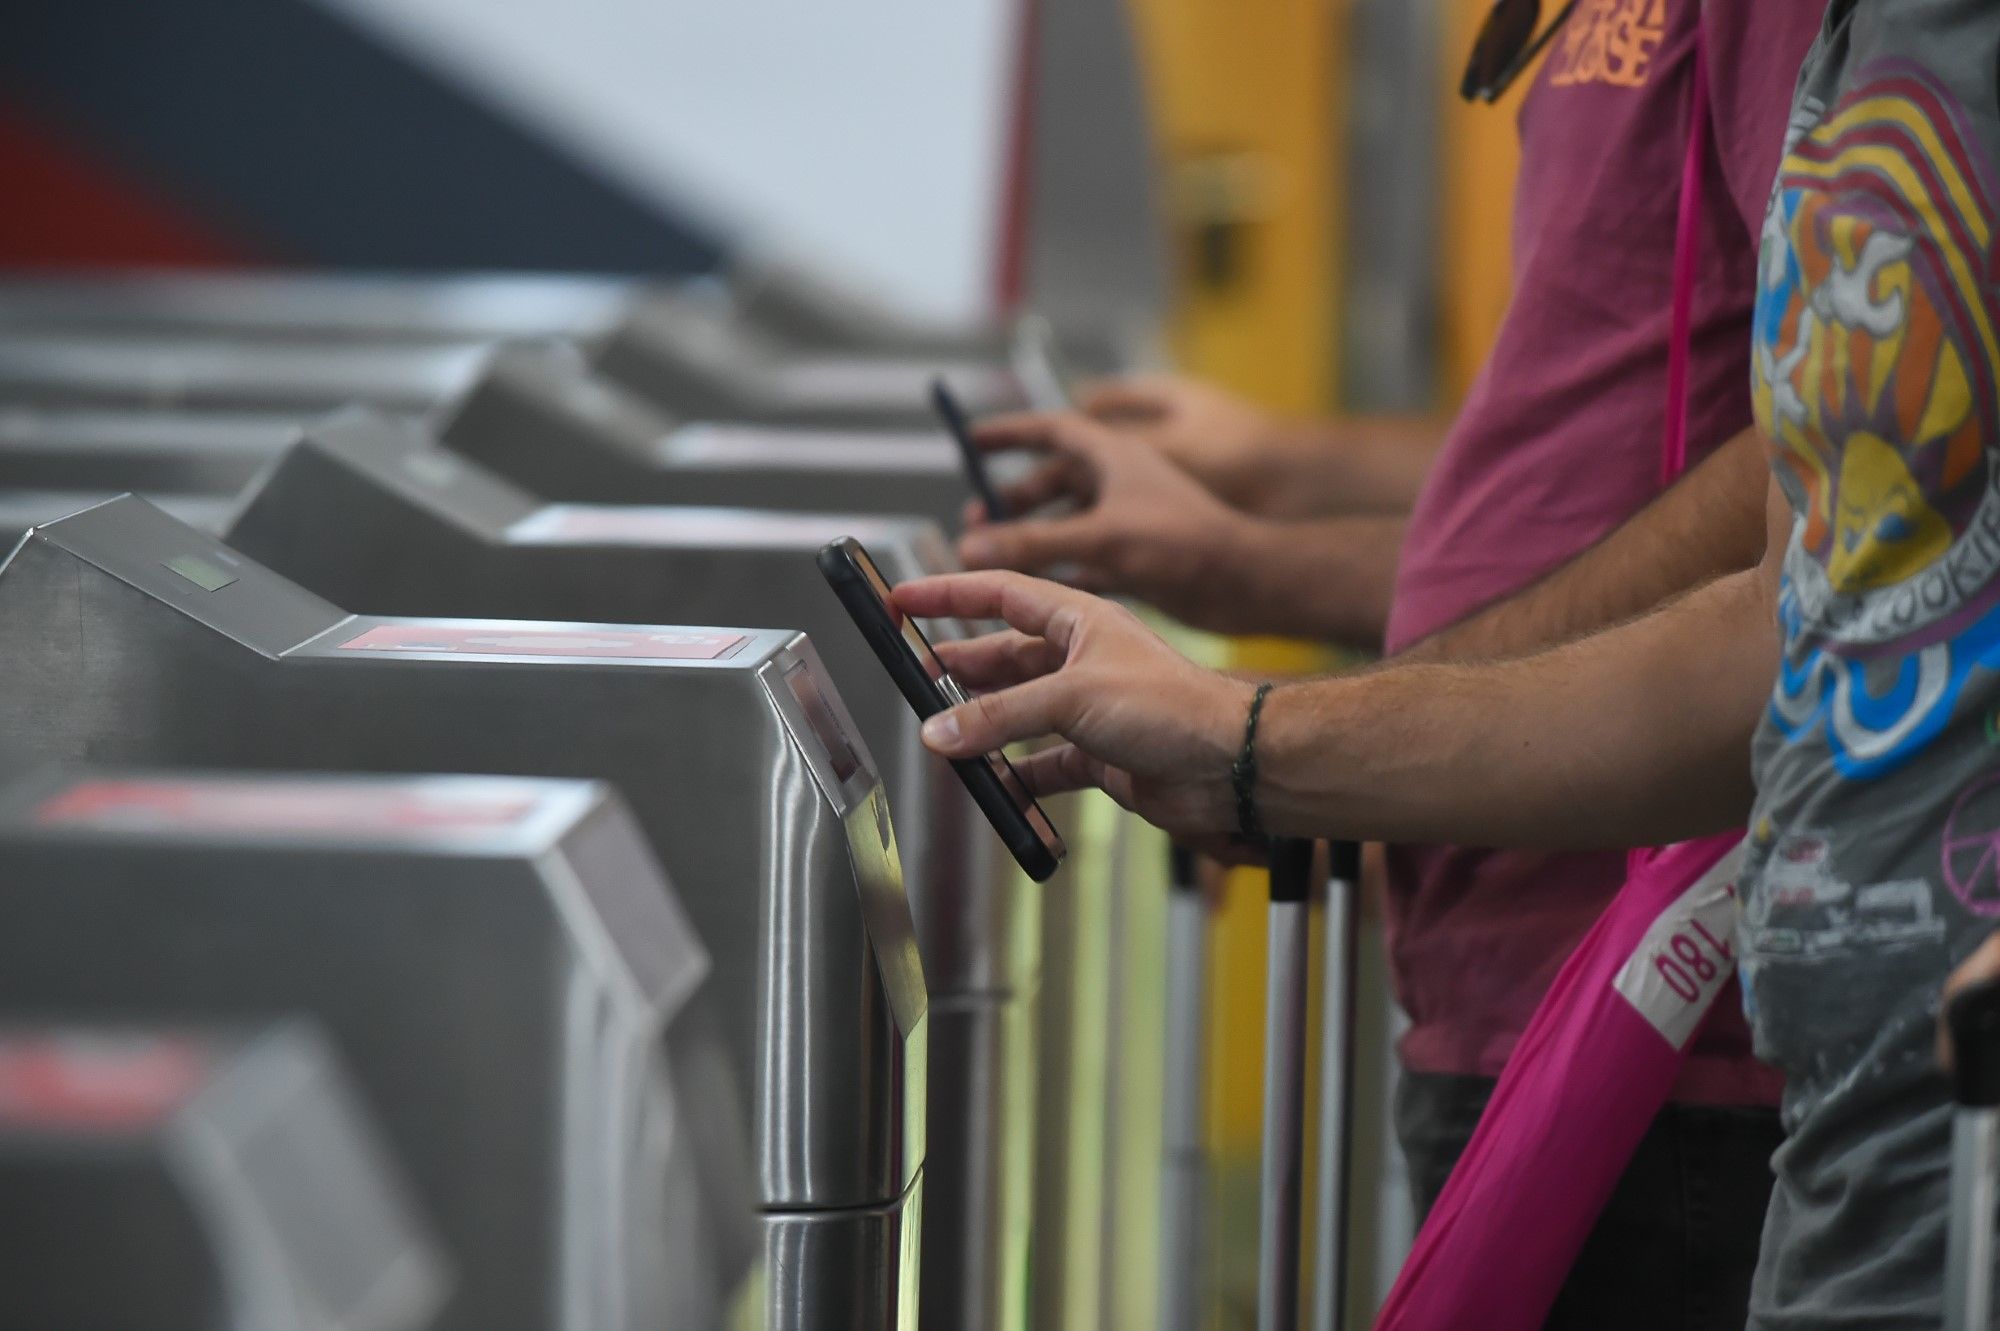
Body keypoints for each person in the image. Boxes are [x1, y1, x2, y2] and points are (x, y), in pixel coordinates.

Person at [908, 1, 2000, 1323]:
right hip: (1749, 1042)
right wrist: (1284, 586)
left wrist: (1290, 739)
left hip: (1683, 1012)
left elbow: (1800, 513)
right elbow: (1756, 515)